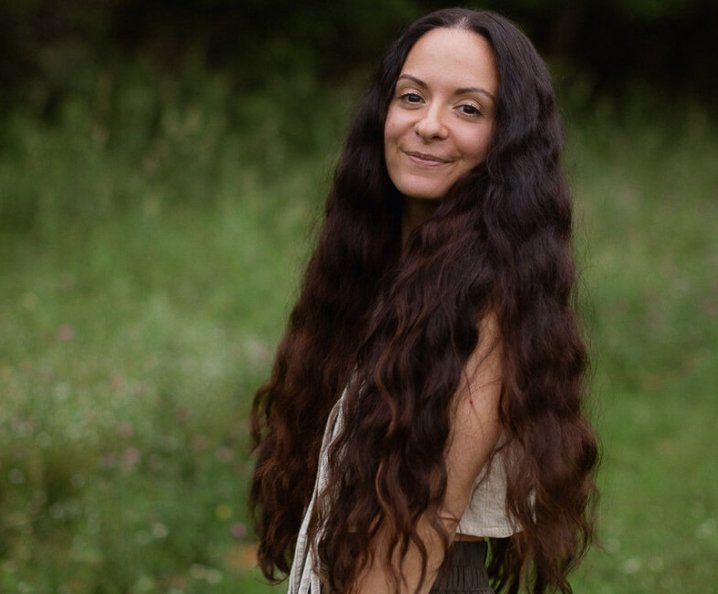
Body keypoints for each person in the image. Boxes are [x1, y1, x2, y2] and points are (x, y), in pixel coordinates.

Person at [250, 7, 598, 594]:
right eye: (412, 97)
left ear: (508, 141)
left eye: (469, 109)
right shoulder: (380, 271)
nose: (430, 125)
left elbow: (421, 523)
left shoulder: (483, 303)